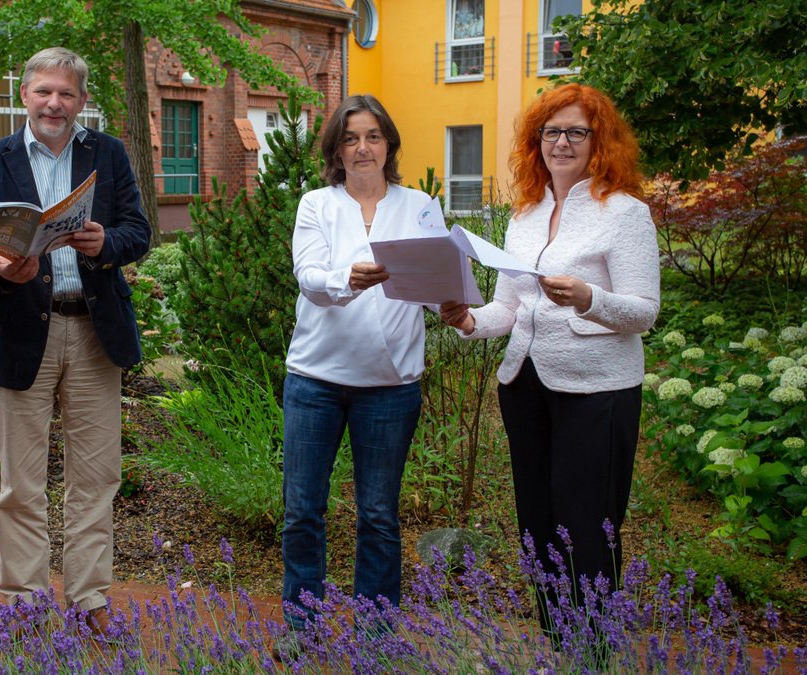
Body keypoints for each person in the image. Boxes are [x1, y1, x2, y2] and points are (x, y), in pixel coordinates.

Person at [439, 83, 659, 638]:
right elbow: (510, 308)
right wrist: (468, 322)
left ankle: (592, 650)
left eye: (575, 132)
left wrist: (588, 298)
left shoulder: (625, 213)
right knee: (537, 526)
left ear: (599, 141)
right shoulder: (527, 215)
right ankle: (557, 638)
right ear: (536, 141)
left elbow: (643, 312)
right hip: (526, 388)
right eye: (551, 132)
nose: (561, 143)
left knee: (588, 527)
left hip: (597, 392)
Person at [0, 47, 151, 633]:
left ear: (82, 100)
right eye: (43, 91)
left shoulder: (107, 154)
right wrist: (1, 273)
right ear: (23, 94)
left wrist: (106, 244)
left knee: (96, 477)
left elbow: (138, 232)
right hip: (21, 331)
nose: (54, 103)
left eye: (66, 93)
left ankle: (89, 600)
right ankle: (25, 603)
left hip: (94, 331)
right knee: (21, 483)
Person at [280, 95, 431, 642]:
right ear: (336, 151)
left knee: (379, 514)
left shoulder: (419, 206)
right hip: (315, 380)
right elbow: (309, 277)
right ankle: (303, 626)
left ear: (388, 143)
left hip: (390, 386)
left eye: (372, 136)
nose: (362, 148)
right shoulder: (317, 204)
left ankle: (376, 632)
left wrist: (454, 300)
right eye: (350, 139)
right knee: (302, 510)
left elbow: (433, 280)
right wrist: (348, 279)